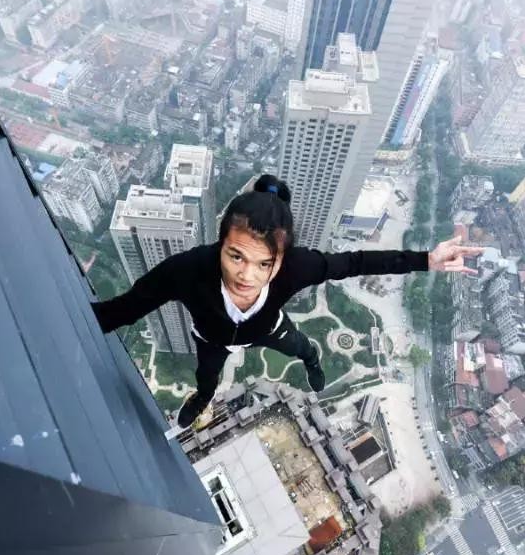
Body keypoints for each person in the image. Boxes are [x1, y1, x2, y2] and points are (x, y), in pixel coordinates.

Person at [92, 174, 482, 429]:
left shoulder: (298, 266)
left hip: (269, 328)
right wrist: (89, 321)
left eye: (265, 263)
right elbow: (130, 306)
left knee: (301, 347)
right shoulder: (190, 268)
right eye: (235, 256)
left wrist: (426, 260)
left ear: (281, 259)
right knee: (206, 377)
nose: (247, 276)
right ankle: (203, 398)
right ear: (220, 243)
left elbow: (357, 263)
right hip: (212, 338)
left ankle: (312, 362)